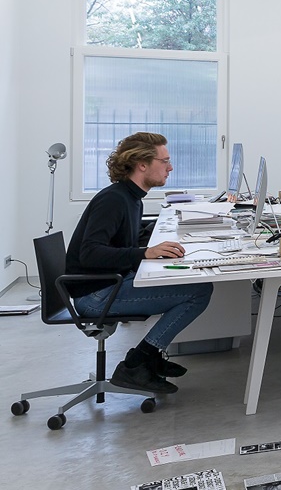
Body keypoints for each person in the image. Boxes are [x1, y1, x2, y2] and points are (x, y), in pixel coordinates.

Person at [65, 132, 213, 394]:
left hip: (109, 282)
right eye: (164, 161)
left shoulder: (130, 197)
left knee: (187, 279)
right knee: (199, 291)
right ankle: (139, 361)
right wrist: (144, 253)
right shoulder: (114, 199)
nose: (170, 167)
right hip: (95, 295)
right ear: (142, 164)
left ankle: (150, 357)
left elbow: (124, 240)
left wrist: (154, 239)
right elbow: (91, 253)